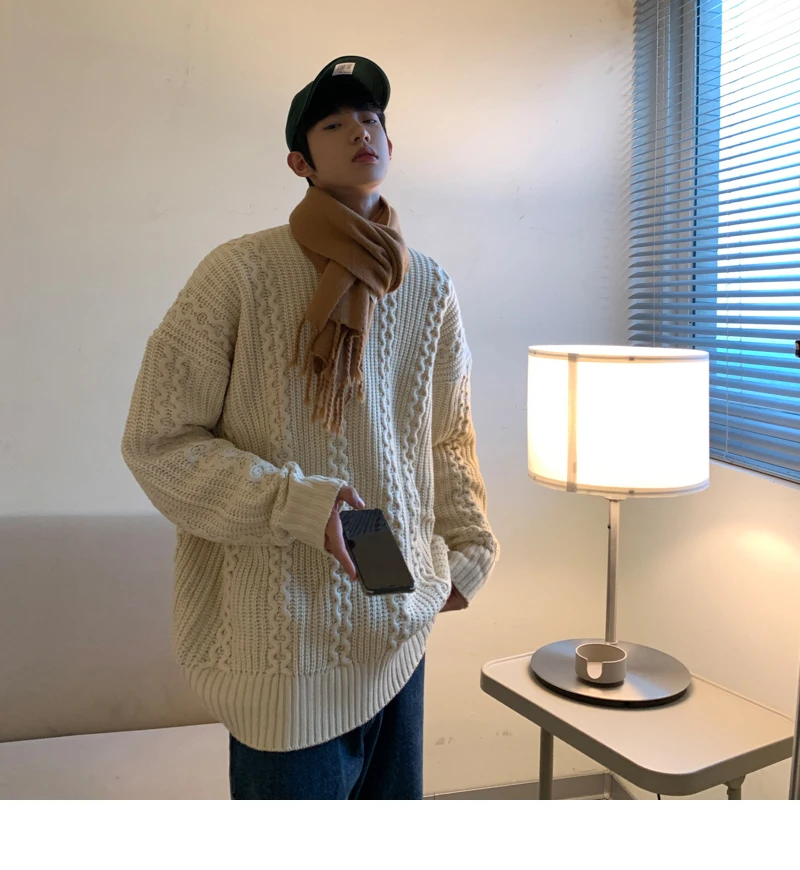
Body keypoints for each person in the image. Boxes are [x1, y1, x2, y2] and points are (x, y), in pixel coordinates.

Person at [122, 55, 498, 800]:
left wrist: (468, 551)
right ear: (300, 161)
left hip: (397, 622)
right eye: (333, 122)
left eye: (371, 118)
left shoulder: (427, 285)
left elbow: (445, 437)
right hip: (283, 650)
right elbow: (159, 440)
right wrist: (296, 503)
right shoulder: (239, 272)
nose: (360, 131)